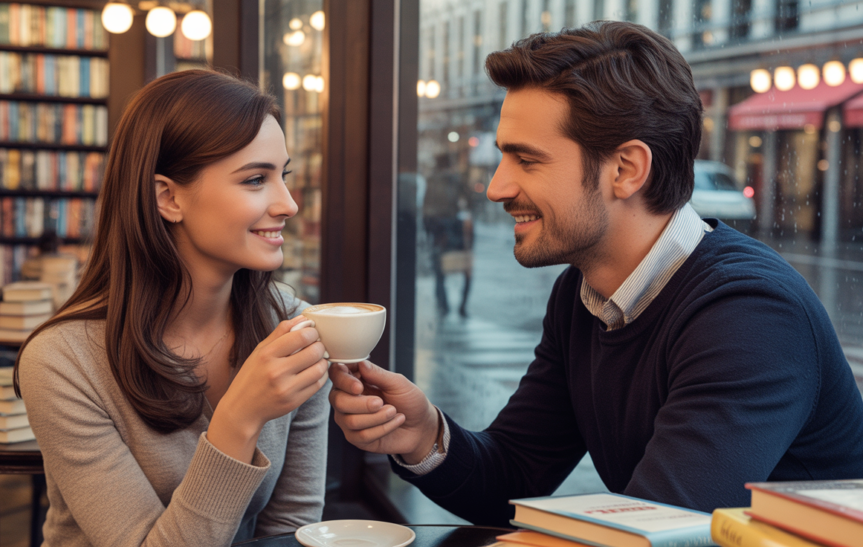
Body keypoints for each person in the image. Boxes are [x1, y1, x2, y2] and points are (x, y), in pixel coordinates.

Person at [328, 21, 863, 527]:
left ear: (626, 169)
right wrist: (422, 434)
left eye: (527, 160)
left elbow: (654, 529)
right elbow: (515, 473)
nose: (496, 187)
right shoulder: (584, 293)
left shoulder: (750, 315)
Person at [13, 70, 331, 546]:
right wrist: (239, 419)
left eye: (283, 176)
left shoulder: (290, 326)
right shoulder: (63, 363)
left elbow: (290, 533)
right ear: (168, 197)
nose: (288, 204)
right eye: (255, 180)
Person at [422, 154, 474, 317]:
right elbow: (470, 199)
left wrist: (428, 232)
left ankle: (443, 306)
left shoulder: (431, 180)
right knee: (466, 267)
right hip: (454, 227)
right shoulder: (455, 179)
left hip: (438, 230)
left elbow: (425, 206)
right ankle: (462, 306)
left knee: (440, 271)